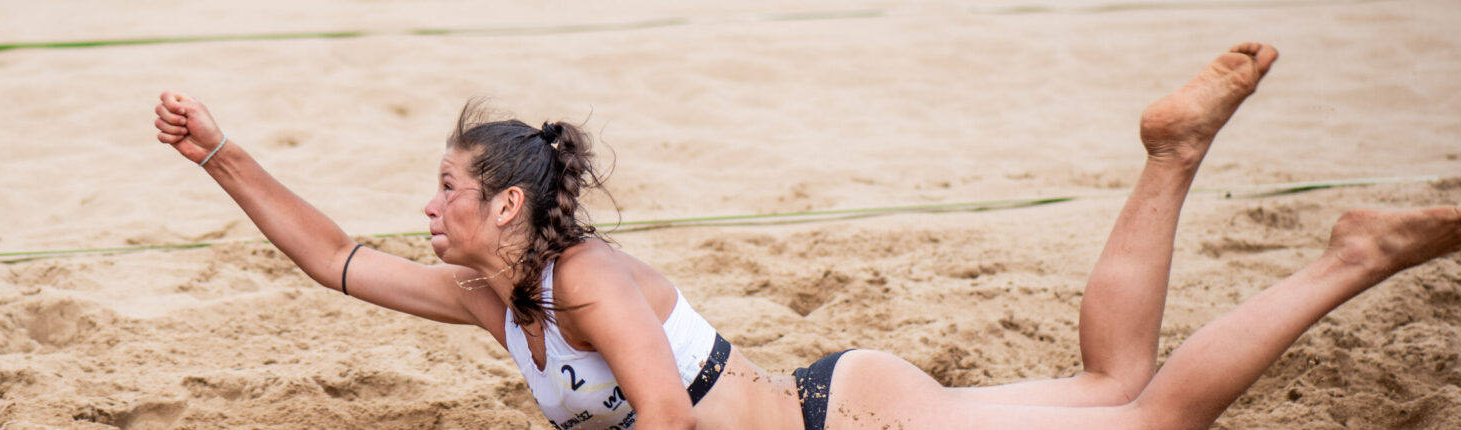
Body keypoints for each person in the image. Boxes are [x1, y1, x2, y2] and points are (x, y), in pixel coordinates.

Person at [151, 42, 1461, 429]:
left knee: (1154, 417)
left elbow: (664, 421)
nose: (422, 208)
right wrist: (221, 155)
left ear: (505, 204)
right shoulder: (503, 303)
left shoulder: (587, 282)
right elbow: (329, 256)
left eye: (444, 187)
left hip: (857, 423)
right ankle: (1176, 153)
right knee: (1117, 389)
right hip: (850, 401)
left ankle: (1358, 252)